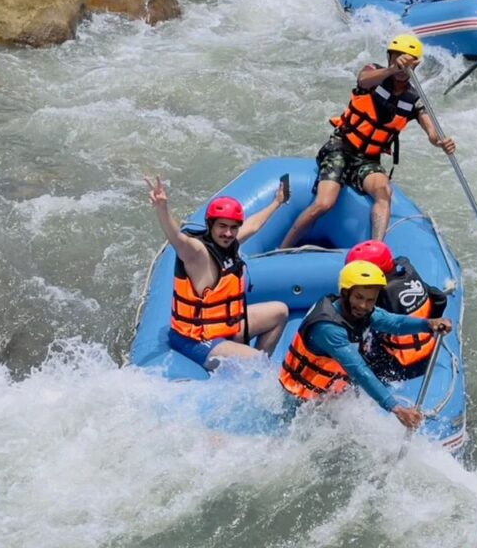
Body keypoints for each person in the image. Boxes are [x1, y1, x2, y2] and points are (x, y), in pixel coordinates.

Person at [279, 35, 456, 249]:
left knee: (384, 192)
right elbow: (363, 80)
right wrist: (392, 69)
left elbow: (432, 132)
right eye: (397, 59)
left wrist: (441, 142)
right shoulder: (374, 74)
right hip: (340, 148)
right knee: (325, 203)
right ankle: (284, 247)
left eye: (407, 63)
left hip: (368, 159)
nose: (402, 67)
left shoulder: (414, 99)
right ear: (390, 58)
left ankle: (376, 250)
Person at [278, 260, 453, 428]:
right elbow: (359, 371)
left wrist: (428, 324)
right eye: (359, 297)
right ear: (345, 293)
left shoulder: (358, 311)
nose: (363, 305)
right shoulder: (328, 329)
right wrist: (396, 409)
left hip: (329, 394)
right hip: (300, 403)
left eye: (370, 300)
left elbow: (394, 323)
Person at [146, 176, 289, 370]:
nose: (228, 233)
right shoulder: (197, 253)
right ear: (211, 225)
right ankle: (257, 368)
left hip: (223, 326)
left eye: (233, 228)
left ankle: (253, 371)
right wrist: (162, 208)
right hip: (196, 339)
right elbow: (177, 239)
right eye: (222, 226)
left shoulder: (229, 244)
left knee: (279, 311)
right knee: (257, 361)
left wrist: (277, 202)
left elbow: (253, 225)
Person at [345, 241, 449, 381]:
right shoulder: (406, 272)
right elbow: (439, 298)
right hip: (429, 354)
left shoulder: (381, 294)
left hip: (400, 366)